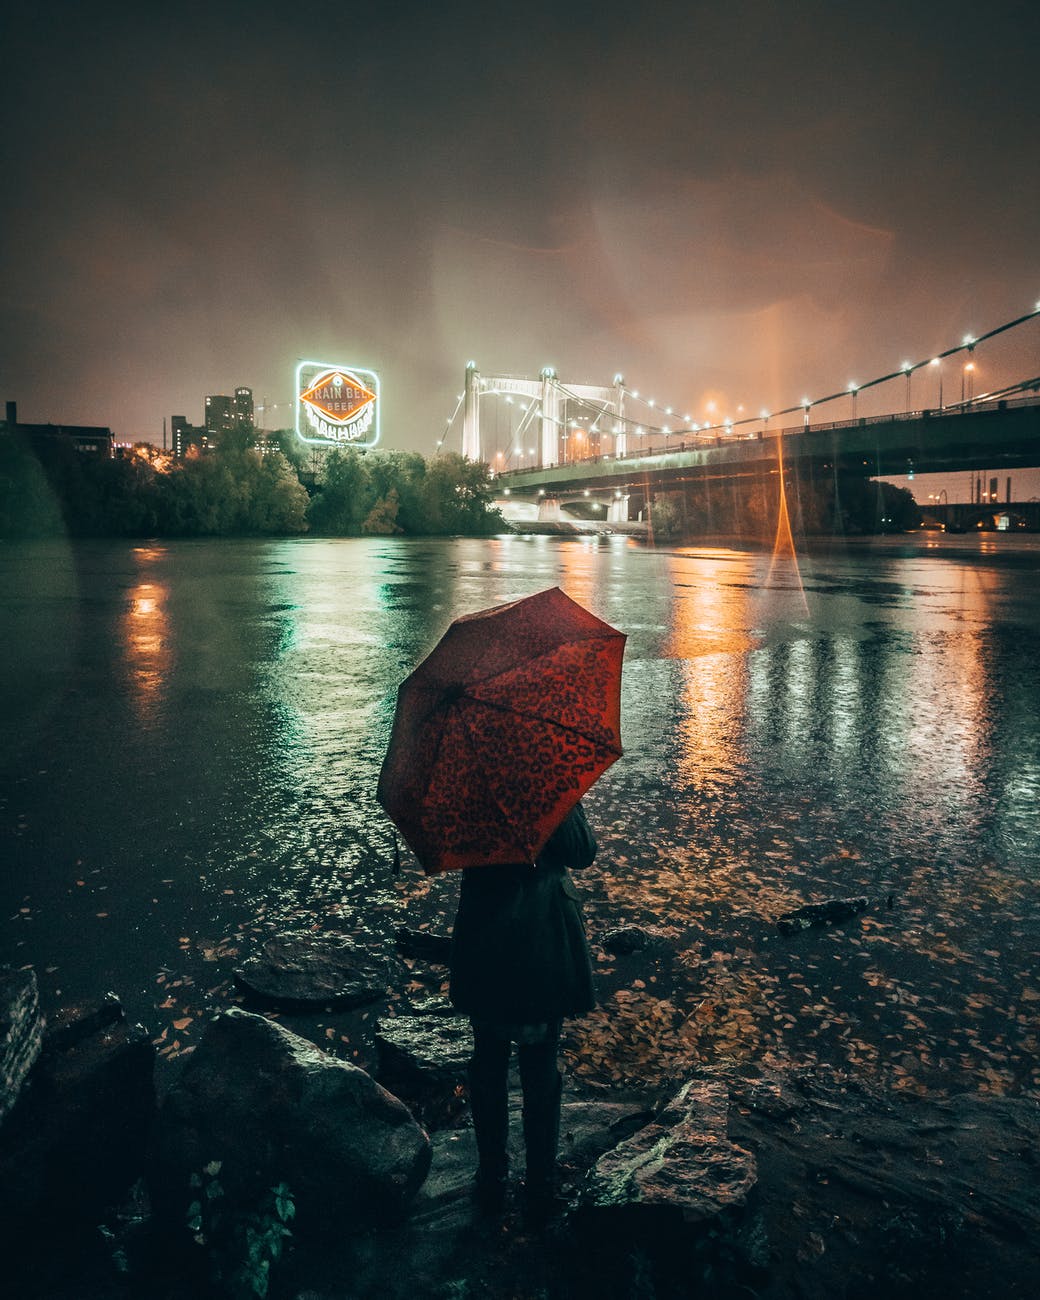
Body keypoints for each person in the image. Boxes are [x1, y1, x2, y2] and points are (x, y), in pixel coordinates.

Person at [448, 800, 597, 1225]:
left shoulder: (465, 783)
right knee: (540, 1069)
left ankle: (493, 1175)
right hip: (541, 940)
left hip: (486, 938)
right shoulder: (545, 778)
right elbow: (582, 850)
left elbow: (455, 848)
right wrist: (563, 802)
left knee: (488, 1064)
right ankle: (540, 1182)